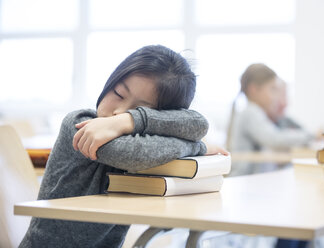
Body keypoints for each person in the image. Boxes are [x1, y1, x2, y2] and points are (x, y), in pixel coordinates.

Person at [20, 45, 227, 248]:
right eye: (118, 94)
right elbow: (132, 155)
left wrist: (128, 121)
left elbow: (198, 123)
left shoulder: (130, 128)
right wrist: (198, 147)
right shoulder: (80, 125)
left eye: (140, 109)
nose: (120, 111)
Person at [228, 63, 313, 176]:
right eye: (272, 89)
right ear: (254, 89)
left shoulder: (255, 112)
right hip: (244, 180)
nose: (275, 97)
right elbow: (275, 139)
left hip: (253, 180)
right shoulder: (250, 112)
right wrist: (311, 135)